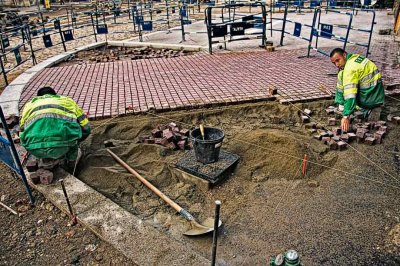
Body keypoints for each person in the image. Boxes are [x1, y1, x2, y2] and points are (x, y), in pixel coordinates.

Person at [20, 87, 90, 168]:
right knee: (73, 139)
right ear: (55, 95)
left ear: (38, 97)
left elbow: (22, 130)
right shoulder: (67, 101)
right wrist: (78, 140)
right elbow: (86, 128)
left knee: (37, 138)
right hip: (63, 147)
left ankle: (45, 158)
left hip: (34, 149)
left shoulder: (29, 105)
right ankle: (72, 162)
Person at [330, 48, 385, 132]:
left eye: (338, 60)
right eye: (334, 63)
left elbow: (350, 95)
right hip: (374, 92)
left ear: (344, 55)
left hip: (372, 98)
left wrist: (346, 116)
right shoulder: (353, 58)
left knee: (350, 94)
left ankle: (369, 109)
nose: (337, 65)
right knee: (341, 74)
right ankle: (341, 105)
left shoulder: (350, 69)